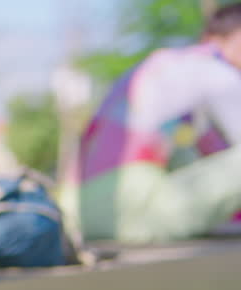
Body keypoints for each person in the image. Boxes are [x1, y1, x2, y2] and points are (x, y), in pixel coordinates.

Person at [72, 3, 241, 243]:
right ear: (220, 39)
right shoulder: (216, 72)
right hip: (136, 208)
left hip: (86, 212)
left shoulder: (163, 65)